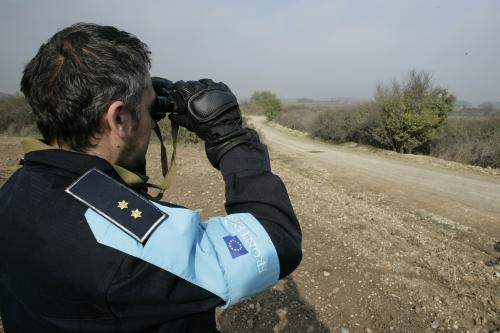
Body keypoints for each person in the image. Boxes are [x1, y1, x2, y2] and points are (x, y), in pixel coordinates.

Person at [0, 23, 302, 332]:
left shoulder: (15, 191)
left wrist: (137, 123)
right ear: (119, 118)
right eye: (148, 107)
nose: (153, 112)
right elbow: (274, 240)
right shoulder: (128, 246)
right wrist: (230, 137)